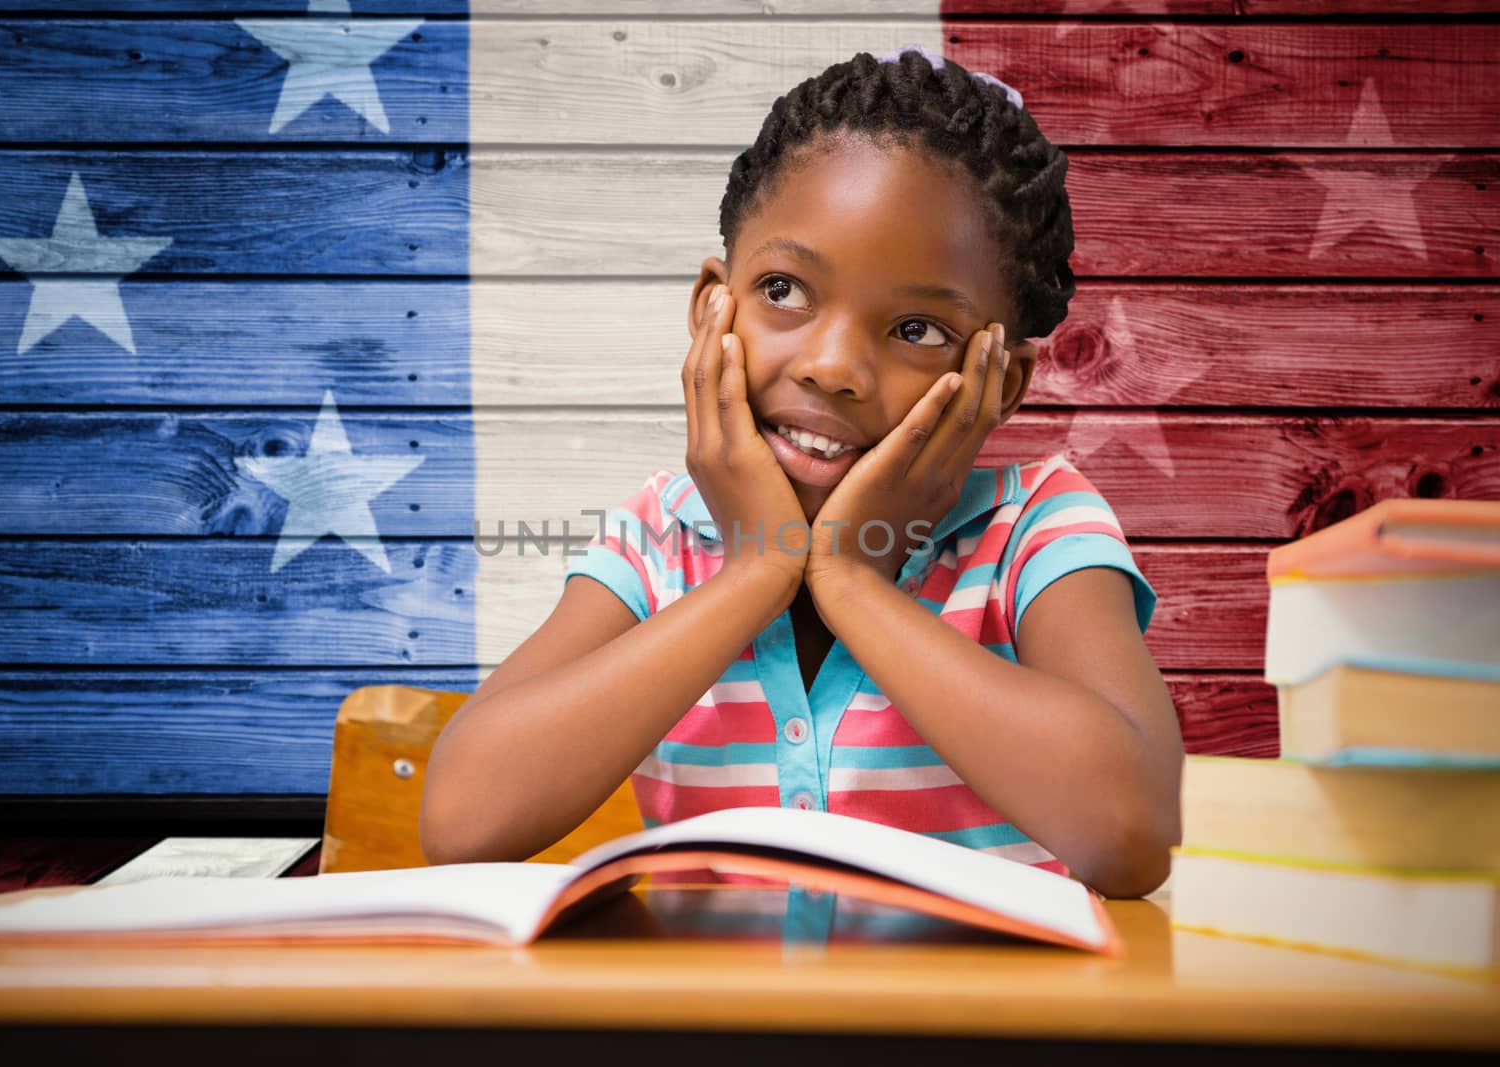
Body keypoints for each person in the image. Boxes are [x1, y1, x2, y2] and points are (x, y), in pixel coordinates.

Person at [422, 44, 1184, 899]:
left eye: (918, 330)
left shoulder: (1035, 531)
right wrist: (758, 567)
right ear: (715, 306)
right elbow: (460, 817)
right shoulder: (658, 539)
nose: (832, 366)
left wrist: (853, 578)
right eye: (784, 289)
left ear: (999, 381)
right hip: (718, 1031)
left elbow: (1130, 832)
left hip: (972, 1032)